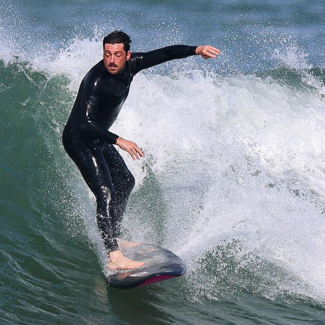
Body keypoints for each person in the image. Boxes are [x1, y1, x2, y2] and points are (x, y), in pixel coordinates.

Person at [63, 31, 220, 271]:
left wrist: (196, 49)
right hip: (79, 139)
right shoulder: (96, 80)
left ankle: (113, 236)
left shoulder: (132, 65)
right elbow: (83, 122)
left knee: (125, 182)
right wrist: (120, 141)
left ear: (127, 55)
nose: (112, 60)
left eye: (117, 55)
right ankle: (114, 256)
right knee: (105, 192)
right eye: (107, 55)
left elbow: (165, 53)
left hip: (98, 137)